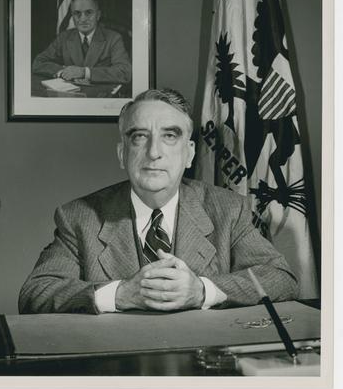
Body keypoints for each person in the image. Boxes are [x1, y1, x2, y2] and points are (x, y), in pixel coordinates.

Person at [19, 88, 298, 314]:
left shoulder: (228, 209)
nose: (154, 152)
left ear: (189, 154)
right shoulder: (80, 217)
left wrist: (202, 290)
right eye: (140, 137)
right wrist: (120, 294)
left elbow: (281, 279)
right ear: (122, 153)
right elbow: (36, 293)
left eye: (169, 136)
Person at [32, 0, 131, 85]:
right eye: (77, 13)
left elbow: (124, 72)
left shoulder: (113, 38)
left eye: (88, 13)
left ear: (98, 15)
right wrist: (63, 72)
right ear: (72, 17)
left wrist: (85, 72)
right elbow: (38, 62)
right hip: (70, 94)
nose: (83, 19)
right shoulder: (64, 37)